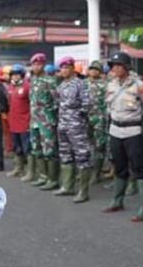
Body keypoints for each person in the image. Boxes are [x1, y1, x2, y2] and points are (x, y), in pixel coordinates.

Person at [103, 51, 143, 222]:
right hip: (115, 130)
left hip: (133, 131)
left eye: (119, 65)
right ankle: (117, 200)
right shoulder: (111, 85)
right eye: (113, 66)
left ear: (127, 67)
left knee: (140, 168)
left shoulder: (139, 85)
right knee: (119, 166)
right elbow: (108, 106)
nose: (115, 68)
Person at [55, 56, 93, 203]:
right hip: (63, 124)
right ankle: (67, 187)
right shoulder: (62, 84)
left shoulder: (80, 84)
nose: (64, 70)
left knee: (82, 156)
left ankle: (84, 192)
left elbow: (86, 104)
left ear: (72, 68)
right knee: (65, 155)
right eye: (62, 68)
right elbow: (59, 103)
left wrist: (79, 119)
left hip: (76, 125)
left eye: (66, 67)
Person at [23, 53, 59, 189]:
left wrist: (50, 116)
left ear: (43, 65)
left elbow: (57, 101)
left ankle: (53, 179)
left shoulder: (50, 81)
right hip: (34, 121)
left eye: (39, 64)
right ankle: (42, 176)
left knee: (49, 150)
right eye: (34, 64)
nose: (36, 66)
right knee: (36, 149)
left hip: (46, 121)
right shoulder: (32, 81)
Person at [86, 60, 110, 185]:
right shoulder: (82, 84)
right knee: (86, 146)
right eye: (91, 69)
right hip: (85, 119)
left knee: (99, 146)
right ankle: (86, 172)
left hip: (100, 119)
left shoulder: (105, 85)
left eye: (96, 69)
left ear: (100, 72)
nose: (93, 71)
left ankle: (97, 173)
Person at [7, 63, 31, 178]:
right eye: (13, 75)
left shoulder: (27, 87)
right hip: (13, 122)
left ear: (22, 75)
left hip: (25, 122)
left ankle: (29, 171)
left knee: (27, 148)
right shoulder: (10, 87)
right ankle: (18, 168)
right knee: (17, 147)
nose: (15, 77)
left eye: (17, 75)